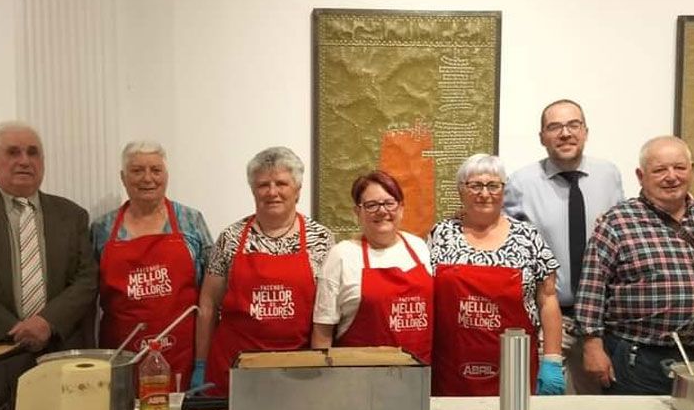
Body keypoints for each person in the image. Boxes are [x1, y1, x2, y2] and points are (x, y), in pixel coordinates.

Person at [575, 136, 694, 395]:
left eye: (679, 167)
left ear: (692, 170)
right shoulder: (617, 220)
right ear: (641, 176)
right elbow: (592, 287)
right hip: (638, 358)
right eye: (659, 170)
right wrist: (592, 346)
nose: (671, 176)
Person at [0, 121, 98, 352]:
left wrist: (46, 322)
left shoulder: (72, 215)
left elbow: (86, 279)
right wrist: (14, 329)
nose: (24, 161)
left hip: (58, 348)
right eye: (13, 152)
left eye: (33, 153)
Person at [193, 147, 334, 396]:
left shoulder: (320, 239)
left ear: (298, 190)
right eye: (263, 185)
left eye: (281, 183)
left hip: (297, 370)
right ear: (252, 190)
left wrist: (319, 365)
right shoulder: (231, 237)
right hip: (234, 369)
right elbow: (208, 304)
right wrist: (200, 363)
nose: (272, 192)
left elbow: (327, 312)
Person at [504, 99, 624, 393]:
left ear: (585, 131)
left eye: (573, 125)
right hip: (547, 320)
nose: (565, 133)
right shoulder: (521, 183)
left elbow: (627, 234)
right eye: (554, 127)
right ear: (542, 137)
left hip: (601, 323)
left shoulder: (609, 175)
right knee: (547, 408)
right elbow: (505, 243)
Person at [428, 153, 564, 396]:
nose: (484, 193)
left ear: (503, 191)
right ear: (461, 191)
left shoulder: (527, 237)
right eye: (475, 185)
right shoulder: (440, 235)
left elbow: (548, 298)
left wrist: (552, 359)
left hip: (515, 367)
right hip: (451, 369)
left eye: (493, 185)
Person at [91, 141, 212, 385]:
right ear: (123, 178)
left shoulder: (191, 221)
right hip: (122, 358)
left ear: (166, 176)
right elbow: (87, 296)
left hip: (183, 357)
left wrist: (202, 363)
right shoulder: (102, 229)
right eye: (137, 171)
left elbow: (211, 294)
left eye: (156, 170)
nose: (148, 178)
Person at [311, 170, 432, 362]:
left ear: (401, 208)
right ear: (357, 212)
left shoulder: (419, 247)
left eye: (389, 203)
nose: (382, 211)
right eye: (371, 205)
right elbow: (322, 331)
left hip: (418, 377)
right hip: (360, 378)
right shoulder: (341, 255)